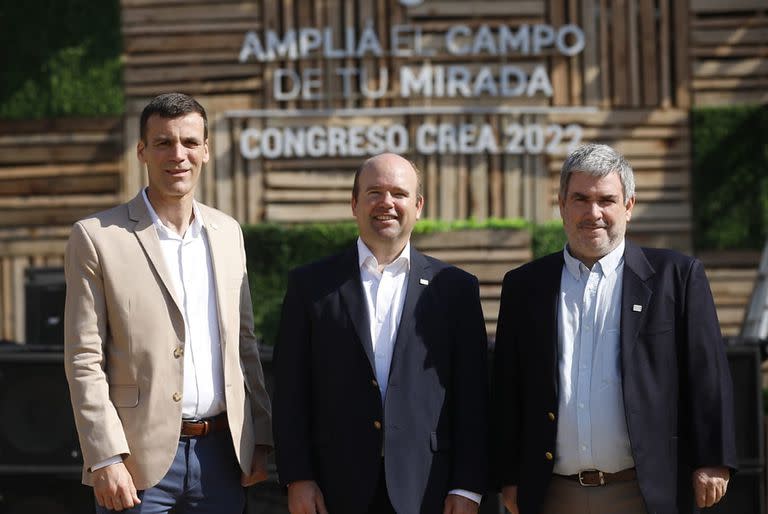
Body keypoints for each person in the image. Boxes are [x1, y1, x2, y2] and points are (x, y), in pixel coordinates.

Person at [491, 143, 737, 514]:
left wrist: (713, 458)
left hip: (647, 491)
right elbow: (509, 386)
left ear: (629, 206)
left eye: (606, 199)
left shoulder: (677, 277)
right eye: (580, 199)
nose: (594, 213)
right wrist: (508, 475)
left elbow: (707, 374)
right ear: (561, 206)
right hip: (553, 494)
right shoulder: (524, 285)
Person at [64, 92, 273, 513]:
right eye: (163, 142)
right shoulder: (97, 236)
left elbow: (244, 345)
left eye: (190, 142)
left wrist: (260, 437)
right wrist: (104, 455)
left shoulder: (228, 232)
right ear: (142, 151)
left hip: (222, 457)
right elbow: (84, 357)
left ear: (206, 151)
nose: (178, 154)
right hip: (136, 463)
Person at [272, 153, 489, 514]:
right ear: (354, 204)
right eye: (374, 192)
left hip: (427, 488)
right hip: (333, 488)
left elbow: (472, 397)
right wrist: (298, 477)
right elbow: (291, 391)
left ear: (418, 206)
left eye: (398, 194)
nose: (386, 203)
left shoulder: (455, 289)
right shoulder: (311, 285)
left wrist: (468, 486)